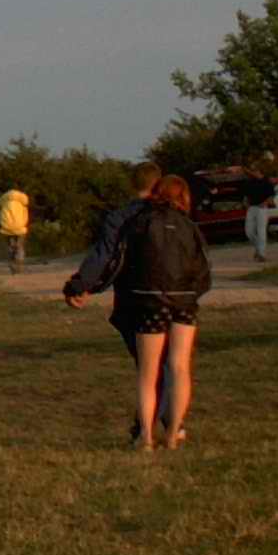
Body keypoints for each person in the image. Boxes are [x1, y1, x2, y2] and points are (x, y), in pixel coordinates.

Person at [64, 161, 172, 443]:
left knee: (147, 367)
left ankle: (147, 427)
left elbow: (105, 257)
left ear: (132, 184)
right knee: (171, 364)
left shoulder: (121, 218)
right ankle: (172, 423)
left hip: (134, 300)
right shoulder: (174, 215)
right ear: (158, 183)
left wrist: (80, 285)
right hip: (174, 299)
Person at [113, 173, 211, 448]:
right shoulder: (190, 227)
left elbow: (124, 262)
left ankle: (145, 436)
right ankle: (173, 434)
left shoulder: (141, 223)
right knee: (180, 368)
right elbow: (203, 271)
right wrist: (192, 294)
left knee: (148, 372)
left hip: (149, 303)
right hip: (185, 303)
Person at [242, 170, 276, 261]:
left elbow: (271, 195)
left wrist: (265, 202)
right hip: (251, 208)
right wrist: (245, 202)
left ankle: (262, 254)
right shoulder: (249, 182)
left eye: (254, 171)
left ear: (260, 172)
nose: (252, 173)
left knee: (261, 231)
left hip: (262, 208)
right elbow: (245, 195)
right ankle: (258, 248)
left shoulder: (267, 182)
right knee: (249, 232)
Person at [0, 186, 30, 273]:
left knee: (10, 246)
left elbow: (1, 216)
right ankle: (19, 265)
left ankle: (11, 263)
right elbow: (25, 216)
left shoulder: (4, 203)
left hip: (6, 228)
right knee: (20, 246)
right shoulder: (22, 203)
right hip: (19, 228)